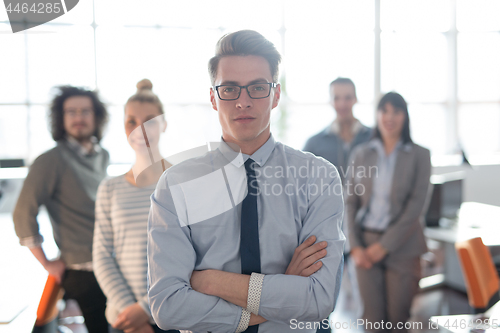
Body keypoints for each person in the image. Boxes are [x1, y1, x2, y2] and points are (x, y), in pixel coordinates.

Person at [147, 30, 345, 333]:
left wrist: (210, 281)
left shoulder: (318, 176)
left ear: (276, 95)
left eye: (257, 88)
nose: (243, 102)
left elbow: (319, 298)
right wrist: (278, 295)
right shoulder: (175, 185)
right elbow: (168, 306)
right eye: (229, 89)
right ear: (213, 98)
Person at [13, 86, 110, 332]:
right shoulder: (51, 160)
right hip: (83, 270)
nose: (78, 117)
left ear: (96, 117)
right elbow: (23, 214)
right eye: (71, 112)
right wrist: (47, 263)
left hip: (112, 262)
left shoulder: (101, 156)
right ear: (61, 118)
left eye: (85, 111)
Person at [93, 79, 179, 333]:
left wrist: (145, 309)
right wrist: (132, 313)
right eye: (131, 121)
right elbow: (101, 256)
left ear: (164, 125)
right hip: (124, 320)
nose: (140, 129)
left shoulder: (183, 183)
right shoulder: (109, 189)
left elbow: (195, 256)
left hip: (172, 316)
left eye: (150, 121)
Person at [346, 92, 431, 333]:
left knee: (397, 321)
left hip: (403, 245)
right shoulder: (361, 154)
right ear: (377, 114)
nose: (389, 117)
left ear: (405, 116)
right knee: (371, 322)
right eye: (384, 110)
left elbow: (415, 207)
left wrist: (384, 246)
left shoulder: (420, 155)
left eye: (396, 111)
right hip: (364, 244)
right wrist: (355, 247)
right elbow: (349, 202)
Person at [303, 77, 371, 183]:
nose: (342, 104)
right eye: (336, 98)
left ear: (355, 99)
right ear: (330, 101)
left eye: (347, 98)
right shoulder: (314, 144)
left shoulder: (373, 137)